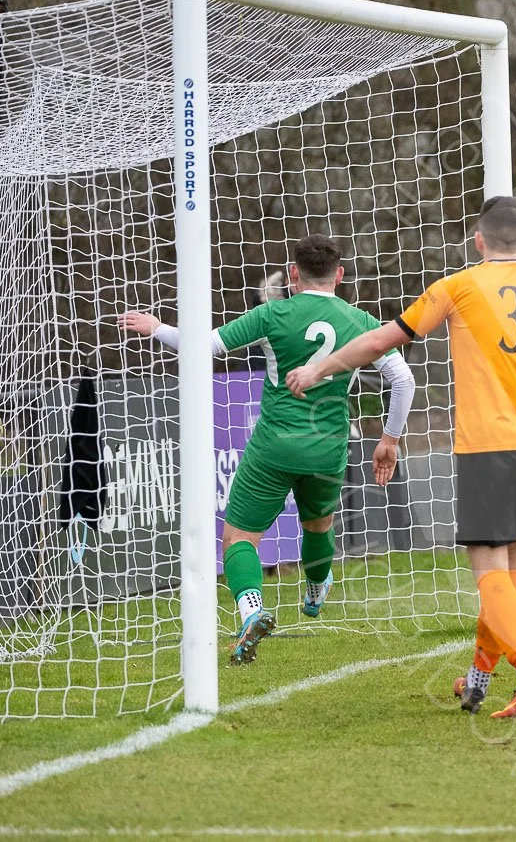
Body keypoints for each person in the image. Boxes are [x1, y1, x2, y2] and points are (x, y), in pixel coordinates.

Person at [285, 196, 516, 717]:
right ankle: (480, 679)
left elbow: (378, 342)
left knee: (487, 567)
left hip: (487, 444)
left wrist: (318, 370)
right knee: (508, 571)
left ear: (478, 239)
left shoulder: (457, 287)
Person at [118, 234, 417, 665]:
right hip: (329, 447)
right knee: (318, 525)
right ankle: (315, 591)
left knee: (239, 537)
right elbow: (403, 380)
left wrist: (156, 328)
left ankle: (252, 610)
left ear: (293, 274)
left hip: (274, 446)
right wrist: (388, 439)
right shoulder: (361, 321)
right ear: (341, 276)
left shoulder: (272, 313)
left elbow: (202, 348)